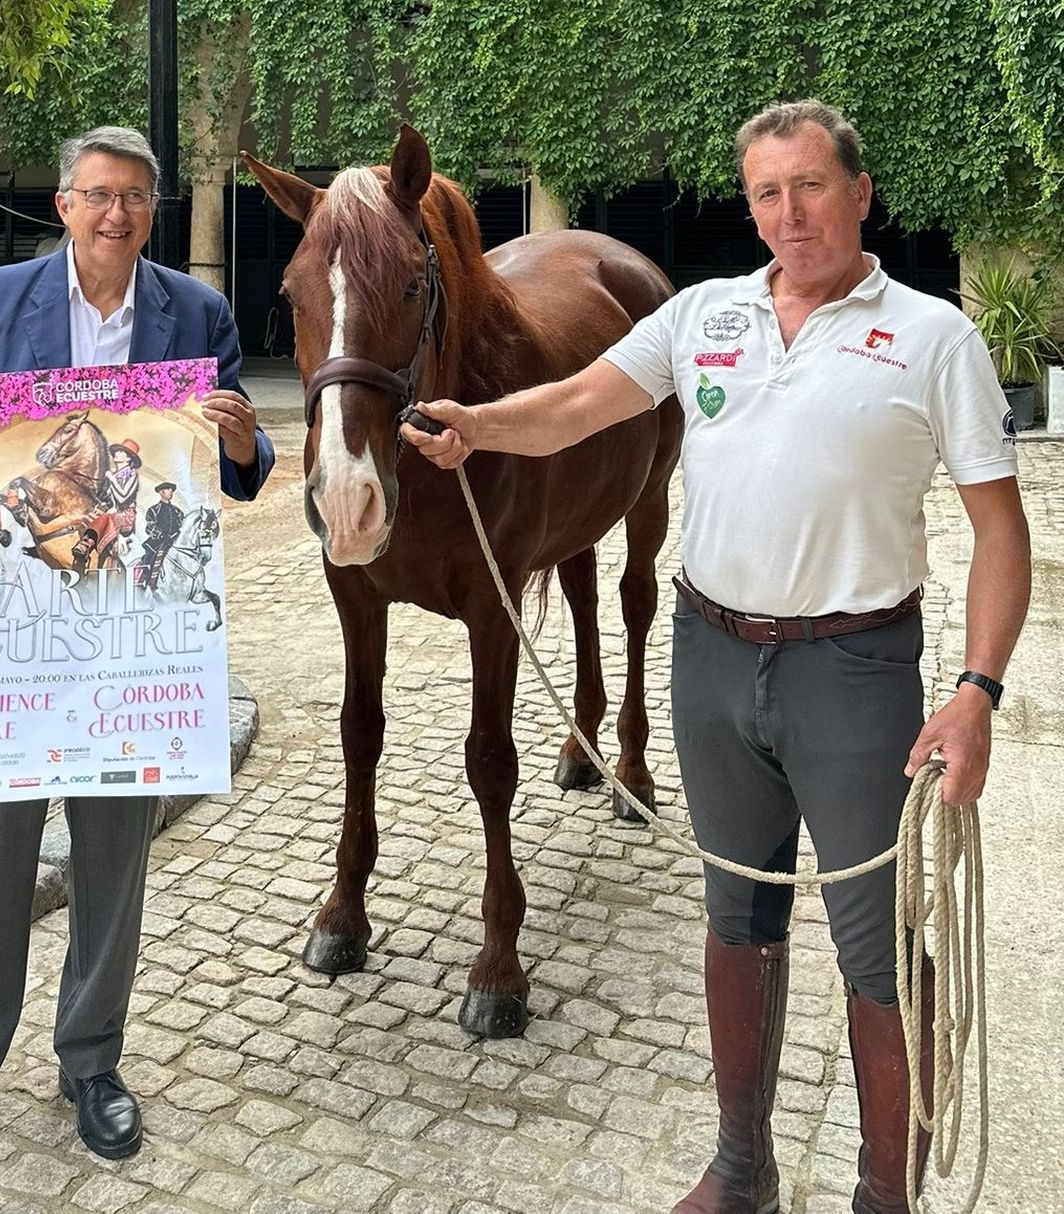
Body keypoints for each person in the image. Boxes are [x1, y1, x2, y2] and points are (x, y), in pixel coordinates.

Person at [404, 100, 1030, 1214]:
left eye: (809, 186)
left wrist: (976, 691)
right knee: (736, 918)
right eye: (766, 193)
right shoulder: (703, 316)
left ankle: (884, 1193)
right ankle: (743, 1170)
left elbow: (998, 529)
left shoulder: (935, 336)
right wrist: (478, 425)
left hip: (852, 670)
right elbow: (575, 408)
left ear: (859, 192)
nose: (789, 213)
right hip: (709, 657)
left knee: (878, 944)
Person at [0, 125, 276, 1188]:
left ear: (152, 208)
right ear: (62, 203)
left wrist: (240, 441)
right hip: (8, 639)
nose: (116, 214)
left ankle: (91, 1064)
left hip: (129, 643)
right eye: (98, 195)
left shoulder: (196, 314)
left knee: (113, 864)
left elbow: (238, 471)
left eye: (135, 198)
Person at [73, 438, 141, 570]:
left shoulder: (132, 475)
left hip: (125, 515)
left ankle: (87, 544)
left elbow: (122, 498)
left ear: (128, 458)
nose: (116, 453)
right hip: (111, 512)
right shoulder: (113, 474)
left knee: (104, 518)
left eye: (121, 452)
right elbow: (106, 499)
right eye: (117, 451)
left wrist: (112, 479)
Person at [140, 481, 184, 589]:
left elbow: (183, 525)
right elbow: (149, 527)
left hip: (174, 541)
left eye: (171, 490)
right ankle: (147, 582)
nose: (170, 492)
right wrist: (161, 536)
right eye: (168, 490)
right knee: (150, 558)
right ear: (161, 492)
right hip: (157, 542)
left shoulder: (177, 511)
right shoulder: (154, 510)